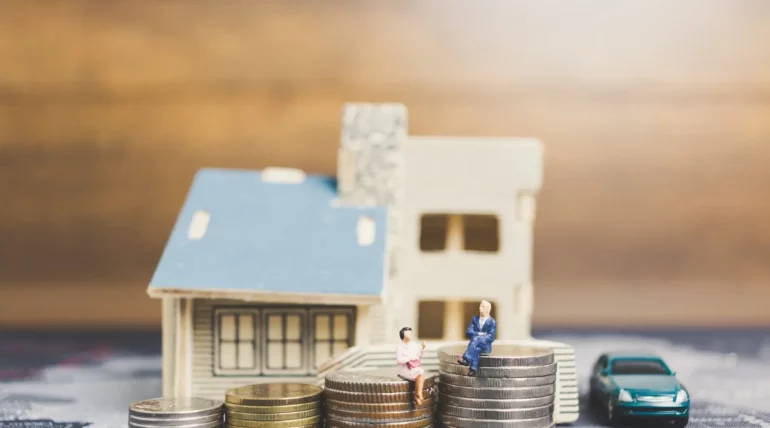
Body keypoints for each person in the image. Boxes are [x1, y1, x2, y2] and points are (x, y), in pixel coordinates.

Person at [456, 300, 496, 376]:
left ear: (488, 309)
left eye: (483, 307)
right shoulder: (475, 319)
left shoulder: (492, 322)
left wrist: (479, 337)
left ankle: (466, 359)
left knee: (476, 338)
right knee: (476, 349)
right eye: (480, 306)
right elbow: (468, 332)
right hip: (476, 347)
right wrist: (478, 334)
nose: (480, 308)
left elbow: (491, 337)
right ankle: (473, 370)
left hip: (486, 347)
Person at [396, 327, 427, 405]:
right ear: (403, 335)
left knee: (420, 372)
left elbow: (419, 355)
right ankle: (417, 395)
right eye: (407, 333)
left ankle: (418, 394)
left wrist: (422, 348)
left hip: (413, 367)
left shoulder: (414, 345)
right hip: (404, 369)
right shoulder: (400, 347)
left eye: (410, 332)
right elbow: (399, 360)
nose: (410, 334)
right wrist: (409, 358)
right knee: (420, 372)